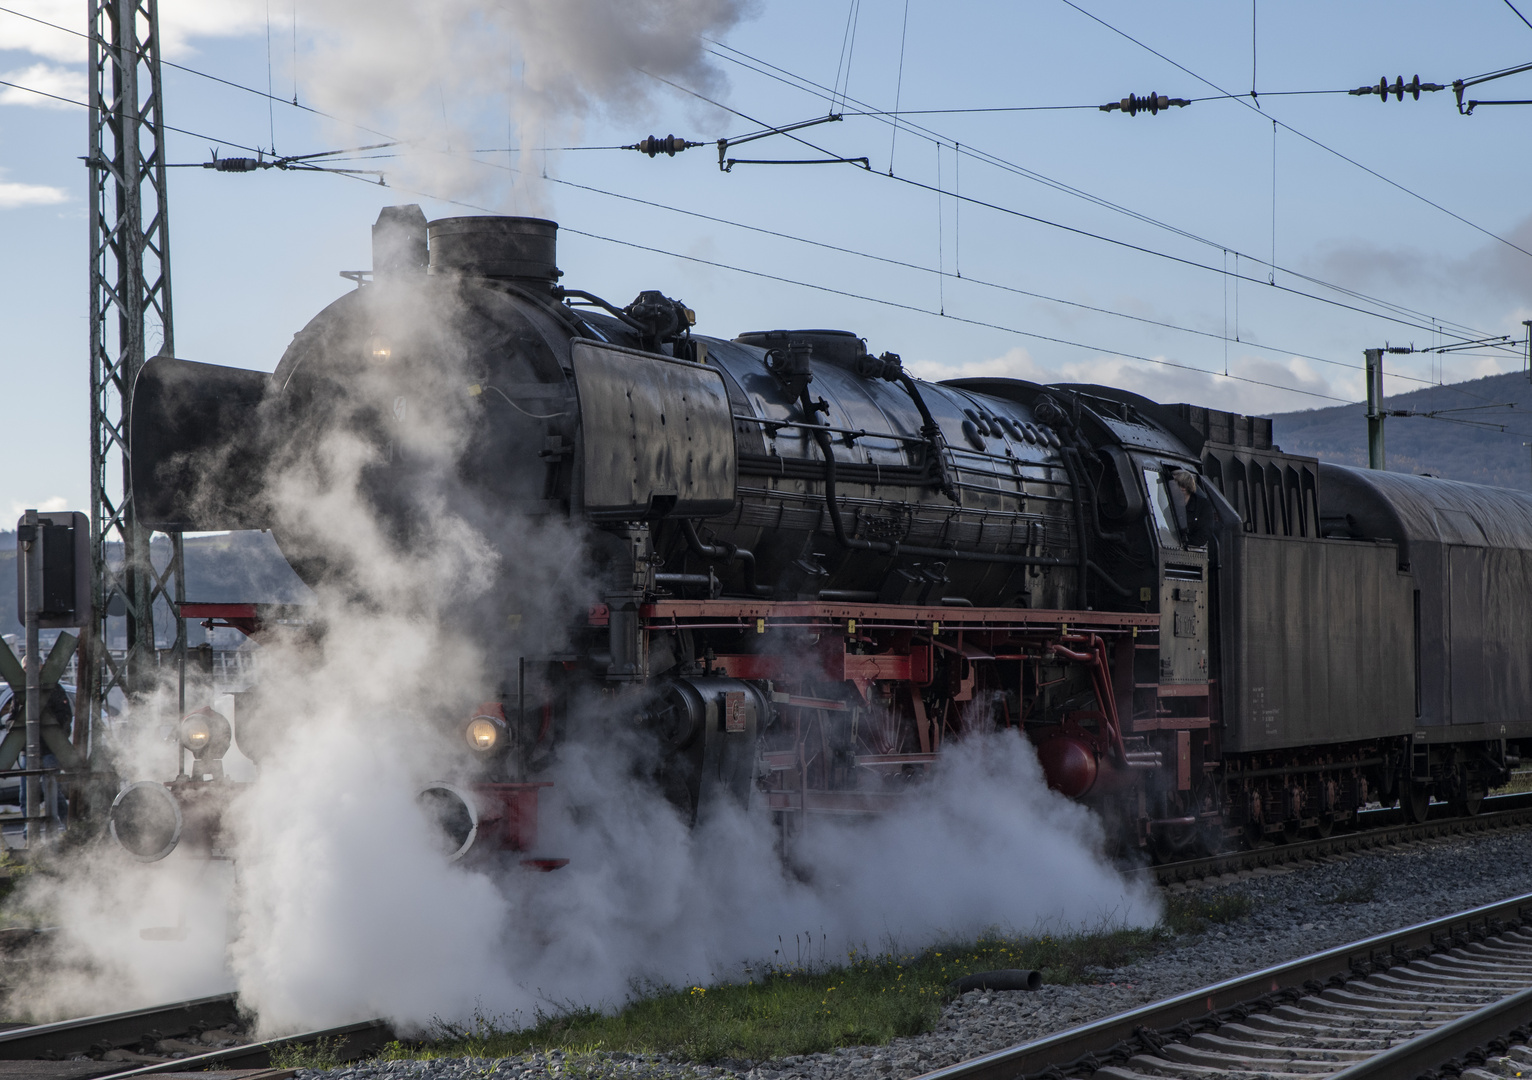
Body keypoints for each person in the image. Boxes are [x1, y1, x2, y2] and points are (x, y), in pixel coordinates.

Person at [1171, 469, 1212, 548]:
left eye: (1173, 485)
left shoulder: (1203, 506)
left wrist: (1185, 541)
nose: (1170, 488)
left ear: (1183, 487)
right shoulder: (1169, 507)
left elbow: (1203, 536)